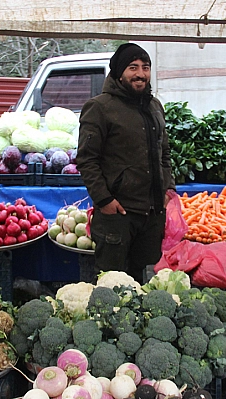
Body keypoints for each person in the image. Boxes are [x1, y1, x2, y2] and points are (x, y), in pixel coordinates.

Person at [76, 43, 175, 283]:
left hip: (152, 216)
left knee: (145, 284)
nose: (140, 74)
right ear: (119, 72)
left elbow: (164, 152)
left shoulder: (154, 107)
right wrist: (104, 200)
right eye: (133, 67)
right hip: (117, 217)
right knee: (113, 286)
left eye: (145, 67)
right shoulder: (99, 108)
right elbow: (87, 159)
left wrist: (167, 188)